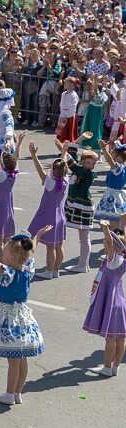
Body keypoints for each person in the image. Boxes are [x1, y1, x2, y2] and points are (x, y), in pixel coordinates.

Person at [0, 228, 48, 405]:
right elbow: (31, 250)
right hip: (22, 316)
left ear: (13, 258)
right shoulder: (27, 269)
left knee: (13, 359)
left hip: (9, 317)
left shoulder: (9, 273)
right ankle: (17, 392)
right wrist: (38, 236)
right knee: (22, 358)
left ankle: (9, 393)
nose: (2, 257)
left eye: (4, 253)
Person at [85, 220, 126, 377]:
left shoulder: (113, 259)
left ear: (113, 247)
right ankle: (114, 367)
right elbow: (116, 241)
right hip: (120, 302)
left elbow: (110, 241)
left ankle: (107, 368)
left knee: (110, 339)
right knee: (120, 338)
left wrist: (104, 227)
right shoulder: (122, 258)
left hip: (111, 302)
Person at [25, 142, 69, 280]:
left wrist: (34, 155)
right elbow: (63, 165)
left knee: (50, 247)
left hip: (49, 215)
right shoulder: (65, 180)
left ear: (54, 171)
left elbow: (39, 170)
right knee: (59, 245)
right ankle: (56, 271)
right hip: (60, 215)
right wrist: (64, 152)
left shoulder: (50, 182)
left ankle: (49, 271)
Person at [63, 147, 99, 274]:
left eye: (93, 163)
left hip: (82, 205)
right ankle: (84, 264)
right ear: (83, 162)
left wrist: (73, 203)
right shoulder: (80, 169)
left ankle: (83, 264)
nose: (91, 165)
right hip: (82, 205)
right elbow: (72, 160)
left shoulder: (86, 173)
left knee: (84, 236)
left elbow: (71, 162)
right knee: (83, 236)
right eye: (88, 162)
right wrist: (66, 147)